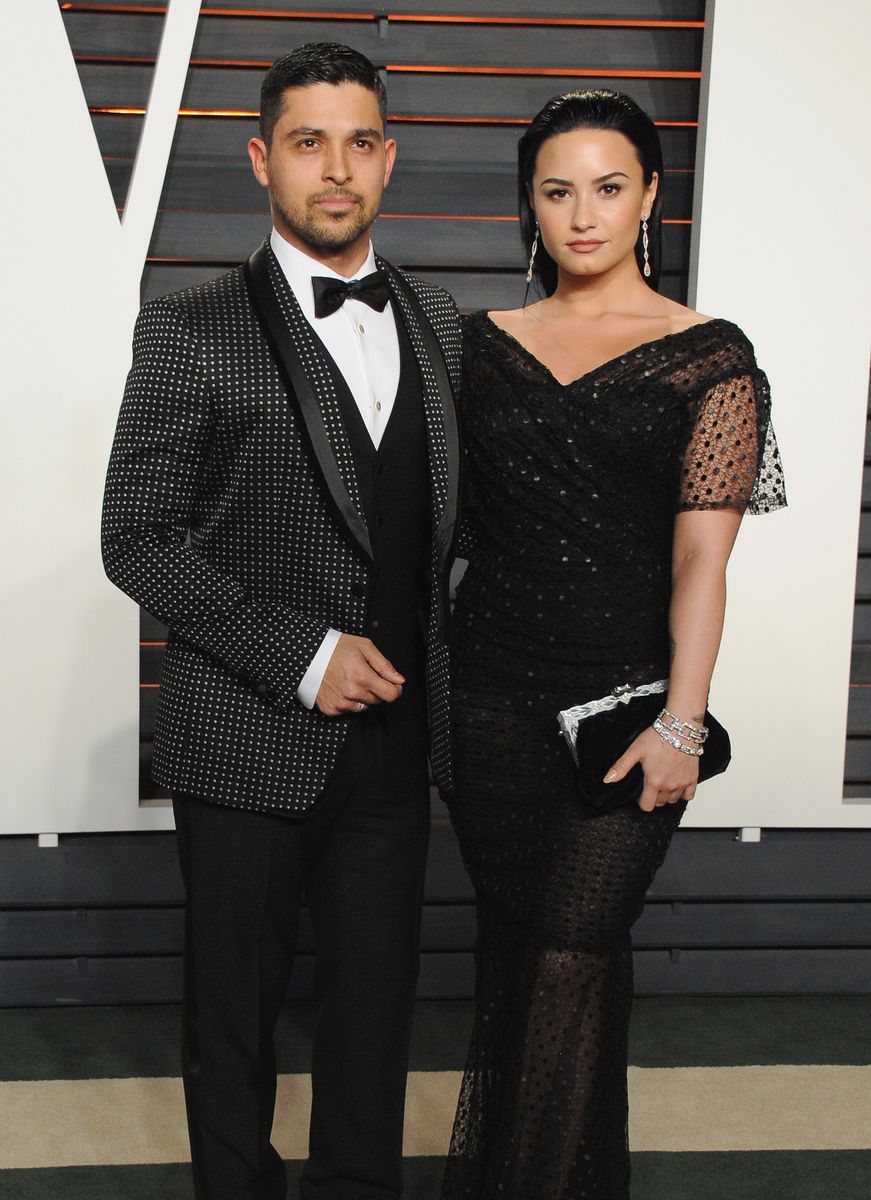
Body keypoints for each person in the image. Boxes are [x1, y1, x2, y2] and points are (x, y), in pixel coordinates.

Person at [101, 43, 461, 1200]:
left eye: (360, 141)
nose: (337, 168)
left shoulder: (443, 321)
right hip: (245, 734)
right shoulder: (188, 326)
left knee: (372, 1024)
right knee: (234, 1027)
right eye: (309, 142)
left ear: (389, 157)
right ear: (263, 158)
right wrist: (300, 655)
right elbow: (135, 537)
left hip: (398, 750)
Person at [440, 89, 786, 1199]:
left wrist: (683, 721)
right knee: (523, 961)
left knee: (567, 953)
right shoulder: (475, 351)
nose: (581, 214)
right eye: (555, 191)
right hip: (487, 699)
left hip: (629, 711)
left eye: (605, 187)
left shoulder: (708, 357)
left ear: (647, 196)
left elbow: (701, 563)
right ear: (529, 209)